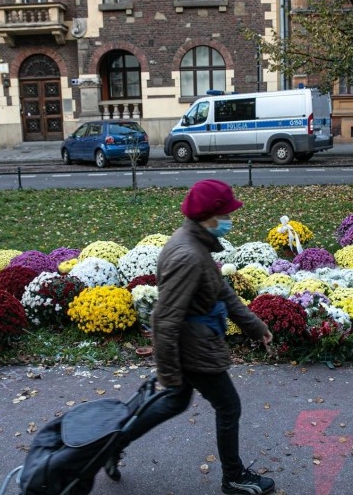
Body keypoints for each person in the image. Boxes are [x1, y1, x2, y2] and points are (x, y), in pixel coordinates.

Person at [107, 179, 276, 495]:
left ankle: (113, 444)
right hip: (194, 346)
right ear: (209, 217)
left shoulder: (196, 242)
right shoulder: (188, 254)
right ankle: (234, 477)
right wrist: (168, 374)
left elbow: (222, 291)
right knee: (228, 406)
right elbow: (165, 318)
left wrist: (255, 326)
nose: (230, 220)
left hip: (193, 340)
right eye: (226, 214)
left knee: (175, 402)